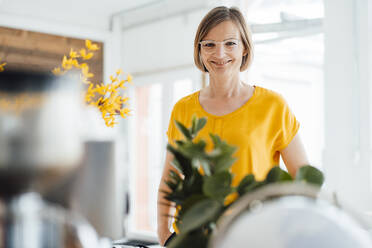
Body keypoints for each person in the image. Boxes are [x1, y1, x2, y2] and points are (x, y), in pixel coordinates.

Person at [157, 6, 309, 246]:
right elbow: (170, 178)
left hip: (252, 239)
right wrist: (164, 234)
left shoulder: (273, 106)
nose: (219, 53)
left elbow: (304, 182)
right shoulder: (183, 109)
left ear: (244, 48)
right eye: (209, 44)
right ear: (199, 50)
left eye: (230, 43)